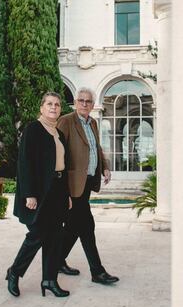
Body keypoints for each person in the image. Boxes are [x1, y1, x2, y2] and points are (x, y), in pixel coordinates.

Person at [6, 92, 71, 298]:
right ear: (42, 108)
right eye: (49, 104)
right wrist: (29, 194)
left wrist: (67, 194)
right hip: (39, 193)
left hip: (58, 190)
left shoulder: (58, 133)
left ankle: (50, 280)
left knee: (55, 237)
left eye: (57, 105)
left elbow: (63, 166)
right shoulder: (33, 129)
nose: (54, 107)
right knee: (37, 235)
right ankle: (14, 272)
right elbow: (25, 164)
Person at [57, 87, 120, 285]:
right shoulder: (66, 121)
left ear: (93, 105)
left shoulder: (92, 122)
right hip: (72, 184)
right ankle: (97, 271)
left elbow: (96, 148)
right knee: (87, 226)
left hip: (88, 182)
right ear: (75, 102)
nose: (84, 104)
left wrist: (105, 168)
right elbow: (58, 152)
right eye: (81, 100)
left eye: (88, 101)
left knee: (74, 226)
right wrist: (60, 187)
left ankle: (57, 260)